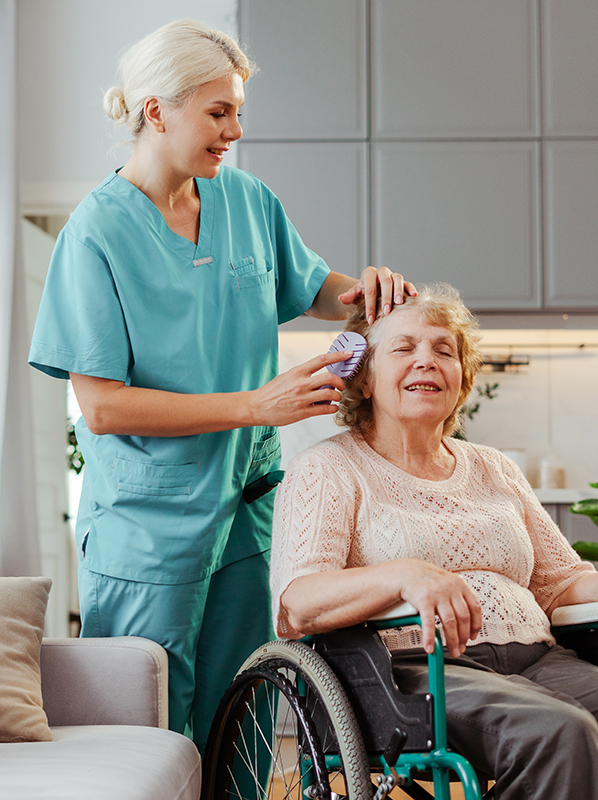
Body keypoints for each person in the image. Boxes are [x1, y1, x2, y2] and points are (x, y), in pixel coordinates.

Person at [27, 19, 415, 753]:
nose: (235, 129)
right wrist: (255, 405)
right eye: (219, 112)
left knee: (247, 710)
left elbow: (316, 289)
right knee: (145, 725)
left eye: (238, 110)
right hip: (149, 526)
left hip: (246, 509)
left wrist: (365, 291)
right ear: (157, 111)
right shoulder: (95, 236)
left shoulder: (245, 200)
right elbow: (103, 406)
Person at [271, 283, 598, 799]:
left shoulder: (494, 468)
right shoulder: (329, 468)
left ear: (461, 377)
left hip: (538, 658)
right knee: (560, 732)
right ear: (365, 377)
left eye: (444, 351)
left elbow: (561, 582)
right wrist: (405, 574)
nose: (427, 361)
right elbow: (298, 604)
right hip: (413, 671)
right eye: (404, 349)